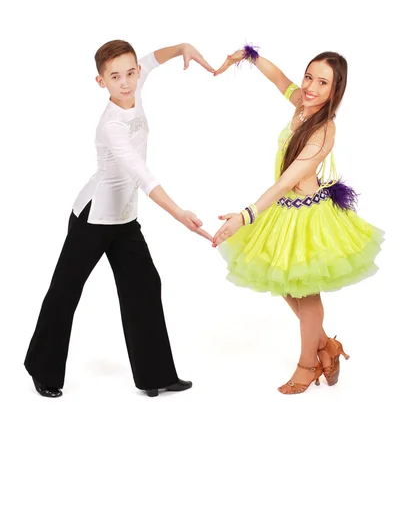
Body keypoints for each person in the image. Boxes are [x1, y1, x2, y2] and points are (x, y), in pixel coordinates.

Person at [25, 40, 214, 398]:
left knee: (144, 287)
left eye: (130, 73)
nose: (125, 82)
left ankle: (155, 376)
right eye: (115, 77)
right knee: (65, 292)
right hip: (93, 219)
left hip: (124, 221)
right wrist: (181, 215)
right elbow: (143, 176)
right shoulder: (111, 125)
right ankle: (42, 369)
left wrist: (184, 48)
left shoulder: (136, 82)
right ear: (102, 82)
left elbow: (154, 59)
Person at [212, 45, 384, 395]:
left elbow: (286, 181)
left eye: (323, 83)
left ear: (335, 91)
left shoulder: (324, 129)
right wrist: (250, 56)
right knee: (286, 286)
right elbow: (279, 80)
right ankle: (326, 346)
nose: (310, 87)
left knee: (304, 293)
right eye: (309, 76)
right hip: (283, 210)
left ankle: (308, 364)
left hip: (306, 216)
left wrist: (245, 217)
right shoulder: (301, 106)